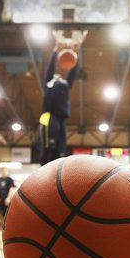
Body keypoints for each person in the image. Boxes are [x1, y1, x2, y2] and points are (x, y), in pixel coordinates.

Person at [38, 31, 86, 165]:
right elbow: (50, 68)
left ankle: (56, 174)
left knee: (60, 149)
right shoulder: (49, 82)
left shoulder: (65, 84)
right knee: (48, 146)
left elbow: (73, 72)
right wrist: (55, 51)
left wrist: (77, 53)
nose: (57, 75)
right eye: (55, 75)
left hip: (61, 119)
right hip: (48, 117)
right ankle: (44, 172)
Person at [0, 168, 15, 234]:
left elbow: (11, 189)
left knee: (6, 216)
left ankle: (6, 230)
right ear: (1, 171)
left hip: (6, 201)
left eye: (5, 170)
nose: (4, 172)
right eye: (3, 170)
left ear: (7, 171)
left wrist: (8, 198)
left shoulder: (10, 180)